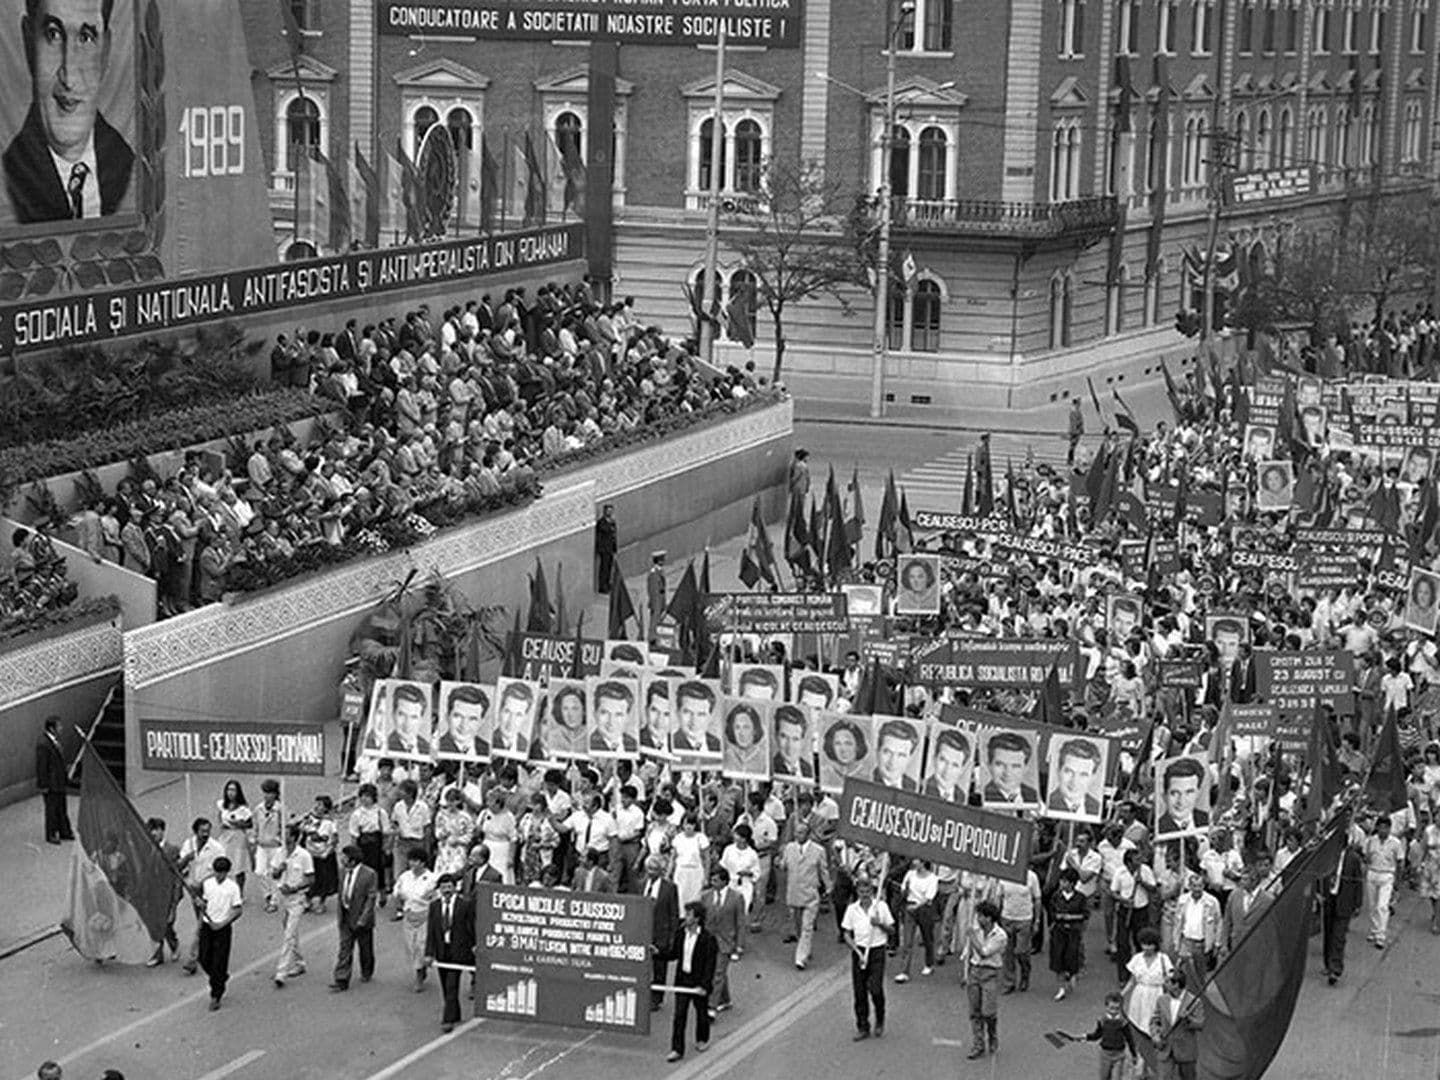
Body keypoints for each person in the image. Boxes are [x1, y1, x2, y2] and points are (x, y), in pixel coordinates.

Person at [5, 0, 136, 224]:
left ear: (105, 53)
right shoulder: (8, 176)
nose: (69, 77)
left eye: (86, 38)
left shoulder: (128, 166)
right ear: (29, 43)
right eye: (53, 35)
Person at [842, 875, 894, 1041]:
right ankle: (863, 1026)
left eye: (867, 891)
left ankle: (880, 1017)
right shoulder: (852, 909)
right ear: (857, 892)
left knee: (876, 989)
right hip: (859, 951)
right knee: (859, 992)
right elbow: (846, 934)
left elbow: (892, 931)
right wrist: (857, 952)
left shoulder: (881, 907)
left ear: (872, 891)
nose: (864, 895)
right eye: (861, 891)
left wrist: (879, 924)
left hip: (877, 950)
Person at [666, 902, 717, 1062]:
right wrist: (657, 952)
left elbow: (710, 965)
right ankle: (676, 1049)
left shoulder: (708, 939)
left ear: (697, 919)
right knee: (679, 1015)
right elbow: (674, 954)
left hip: (698, 982)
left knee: (701, 1012)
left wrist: (704, 986)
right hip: (683, 980)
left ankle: (702, 1039)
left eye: (689, 914)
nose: (685, 917)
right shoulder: (681, 933)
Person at [425, 872, 477, 1033]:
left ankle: (447, 1020)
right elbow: (431, 931)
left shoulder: (465, 905)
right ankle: (455, 1013)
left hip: (459, 951)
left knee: (452, 984)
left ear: (455, 888)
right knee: (445, 986)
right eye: (443, 887)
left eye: (449, 887)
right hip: (442, 951)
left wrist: (475, 944)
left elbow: (472, 926)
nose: (446, 890)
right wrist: (429, 953)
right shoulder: (434, 906)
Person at [195, 855, 242, 1011]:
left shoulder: (233, 888)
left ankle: (216, 994)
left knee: (219, 962)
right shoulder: (208, 884)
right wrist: (201, 910)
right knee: (203, 958)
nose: (218, 875)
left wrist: (222, 923)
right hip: (208, 926)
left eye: (221, 873)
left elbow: (237, 910)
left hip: (222, 928)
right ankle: (220, 978)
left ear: (226, 872)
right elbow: (205, 903)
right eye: (216, 872)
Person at [178, 817, 224, 976]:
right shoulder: (188, 845)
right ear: (196, 831)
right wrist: (187, 858)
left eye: (208, 831)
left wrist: (203, 882)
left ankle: (193, 959)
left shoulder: (216, 848)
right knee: (204, 921)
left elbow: (220, 871)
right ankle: (210, 947)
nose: (205, 834)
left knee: (201, 923)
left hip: (209, 890)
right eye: (202, 831)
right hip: (193, 890)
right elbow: (179, 866)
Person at [780, 822, 830, 970]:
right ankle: (806, 949)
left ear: (808, 834)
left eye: (801, 832)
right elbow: (784, 865)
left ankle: (800, 958)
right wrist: (779, 862)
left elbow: (824, 870)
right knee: (798, 926)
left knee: (807, 927)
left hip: (810, 894)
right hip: (794, 894)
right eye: (796, 832)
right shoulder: (789, 848)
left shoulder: (818, 851)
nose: (797, 835)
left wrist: (828, 886)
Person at [964, 899, 1007, 1059]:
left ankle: (992, 1033)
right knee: (974, 1011)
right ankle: (978, 1044)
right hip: (975, 971)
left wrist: (971, 937)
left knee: (988, 1012)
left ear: (989, 918)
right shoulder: (977, 930)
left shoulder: (1000, 936)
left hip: (991, 973)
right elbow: (969, 953)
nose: (978, 919)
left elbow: (984, 952)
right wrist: (966, 973)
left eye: (981, 916)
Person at [271, 825, 313, 988]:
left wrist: (295, 888)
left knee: (288, 935)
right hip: (283, 897)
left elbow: (310, 879)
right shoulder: (279, 853)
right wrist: (279, 870)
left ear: (294, 837)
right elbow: (273, 874)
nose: (283, 837)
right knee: (290, 931)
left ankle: (281, 972)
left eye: (286, 835)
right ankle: (300, 962)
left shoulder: (304, 856)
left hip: (297, 898)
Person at [330, 844, 377, 992]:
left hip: (362, 918)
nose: (341, 859)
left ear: (352, 860)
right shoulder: (342, 872)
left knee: (365, 948)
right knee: (345, 948)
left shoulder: (369, 874)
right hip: (345, 915)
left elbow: (371, 898)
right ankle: (342, 979)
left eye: (344, 857)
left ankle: (367, 970)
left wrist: (363, 919)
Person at [701, 866, 745, 1015]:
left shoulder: (736, 897)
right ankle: (725, 999)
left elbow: (740, 922)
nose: (712, 883)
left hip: (726, 941)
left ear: (724, 881)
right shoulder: (705, 896)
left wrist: (739, 945)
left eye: (715, 880)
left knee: (717, 974)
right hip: (708, 941)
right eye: (711, 880)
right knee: (717, 972)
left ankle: (711, 1006)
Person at [1322, 837, 1365, 984]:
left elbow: (1358, 881)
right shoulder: (1327, 857)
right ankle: (1328, 963)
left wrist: (1358, 903)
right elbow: (1320, 876)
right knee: (1328, 932)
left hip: (1344, 900)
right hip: (1329, 899)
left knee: (1339, 936)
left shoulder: (1353, 858)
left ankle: (1335, 969)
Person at [1151, 969, 1204, 1080]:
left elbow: (1200, 1024)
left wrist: (1188, 1019)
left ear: (1176, 984)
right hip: (1166, 1048)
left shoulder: (1194, 1002)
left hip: (1186, 1050)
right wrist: (1155, 1035)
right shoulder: (1161, 999)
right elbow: (1155, 1020)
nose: (1164, 984)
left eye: (1167, 982)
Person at [996, 863, 1041, 994]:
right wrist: (996, 918)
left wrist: (1037, 920)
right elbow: (999, 898)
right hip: (1007, 918)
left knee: (1021, 951)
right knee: (1007, 953)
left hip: (1025, 919)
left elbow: (1037, 899)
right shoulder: (1004, 876)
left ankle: (1025, 973)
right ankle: (1009, 982)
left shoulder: (1031, 877)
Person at [643, 855, 679, 1011]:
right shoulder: (641, 884)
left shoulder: (670, 888)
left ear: (661, 871)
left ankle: (656, 998)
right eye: (648, 869)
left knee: (659, 969)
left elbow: (674, 914)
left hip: (660, 934)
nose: (650, 872)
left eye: (654, 869)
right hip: (643, 931)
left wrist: (672, 937)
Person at [893, 858, 937, 982]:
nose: (913, 862)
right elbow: (903, 890)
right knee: (907, 941)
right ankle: (904, 971)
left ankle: (929, 963)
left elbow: (929, 898)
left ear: (923, 863)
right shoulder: (910, 874)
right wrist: (904, 891)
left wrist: (916, 907)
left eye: (916, 860)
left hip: (924, 909)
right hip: (909, 908)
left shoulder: (933, 879)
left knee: (927, 938)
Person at [145, 816, 182, 966]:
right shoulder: (145, 849)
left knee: (167, 924)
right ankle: (157, 955)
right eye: (151, 830)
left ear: (162, 831)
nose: (153, 833)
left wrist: (176, 895)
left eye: (156, 830)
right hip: (152, 892)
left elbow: (178, 873)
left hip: (168, 892)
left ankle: (174, 944)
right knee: (154, 925)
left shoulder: (172, 849)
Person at [1364, 815, 1405, 948]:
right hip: (1372, 873)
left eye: (1386, 828)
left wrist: (1397, 882)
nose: (1383, 831)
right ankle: (1374, 930)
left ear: (1389, 829)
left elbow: (1400, 862)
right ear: (1377, 828)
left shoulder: (1396, 843)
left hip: (1387, 875)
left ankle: (1381, 935)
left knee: (1382, 906)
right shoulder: (1371, 841)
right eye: (1381, 827)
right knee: (1372, 905)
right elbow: (1366, 858)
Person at [1082, 990, 1137, 1080]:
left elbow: (1129, 1039)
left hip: (1119, 1054)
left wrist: (1134, 1054)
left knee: (1116, 1077)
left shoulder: (1123, 1022)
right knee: (1104, 1077)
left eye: (1117, 1009)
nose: (1114, 1011)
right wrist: (1087, 1037)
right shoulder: (1102, 1020)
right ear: (1106, 1007)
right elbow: (1098, 1034)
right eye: (1111, 1008)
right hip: (1105, 1054)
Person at [1049, 866, 1086, 1000]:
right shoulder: (1056, 896)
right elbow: (1051, 913)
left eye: (1065, 881)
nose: (1062, 884)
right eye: (1061, 881)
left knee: (1071, 956)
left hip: (1073, 932)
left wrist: (1072, 917)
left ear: (1072, 883)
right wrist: (1057, 917)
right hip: (1058, 931)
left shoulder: (1080, 898)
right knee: (1058, 958)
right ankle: (1060, 988)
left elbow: (1084, 914)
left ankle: (1072, 974)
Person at [35, 716, 72, 843]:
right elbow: (42, 766)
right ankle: (51, 834)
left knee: (62, 808)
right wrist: (43, 785)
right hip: (51, 784)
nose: (61, 728)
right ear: (52, 728)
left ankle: (64, 831)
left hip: (59, 782)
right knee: (51, 810)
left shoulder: (55, 741)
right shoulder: (43, 744)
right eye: (59, 726)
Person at [1171, 872, 1221, 964]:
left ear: (1203, 886)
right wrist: (1176, 942)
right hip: (1186, 942)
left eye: (1200, 886)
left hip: (1202, 943)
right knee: (1186, 971)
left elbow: (1218, 923)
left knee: (1200, 973)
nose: (1197, 889)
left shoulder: (1212, 902)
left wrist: (1217, 943)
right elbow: (1177, 923)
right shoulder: (1182, 900)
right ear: (1189, 886)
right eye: (1194, 886)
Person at [1047, 737, 1103, 817]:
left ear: (1093, 777)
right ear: (1058, 771)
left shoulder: (1097, 808)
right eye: (1069, 772)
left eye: (1083, 775)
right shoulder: (1046, 803)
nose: (1075, 782)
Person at [252, 780, 285, 914]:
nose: (267, 796)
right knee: (260, 871)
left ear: (275, 794)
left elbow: (285, 826)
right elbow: (254, 826)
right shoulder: (258, 809)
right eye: (265, 793)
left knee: (275, 873)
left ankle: (274, 901)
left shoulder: (280, 809)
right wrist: (254, 839)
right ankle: (267, 894)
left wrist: (281, 841)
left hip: (275, 846)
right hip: (262, 845)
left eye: (270, 793)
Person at [215, 780, 253, 895]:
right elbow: (219, 817)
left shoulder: (243, 809)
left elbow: (250, 824)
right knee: (224, 862)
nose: (231, 793)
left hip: (238, 837)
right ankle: (225, 889)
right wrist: (222, 824)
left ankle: (239, 892)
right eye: (229, 790)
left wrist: (239, 824)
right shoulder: (222, 805)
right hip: (225, 836)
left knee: (239, 866)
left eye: (233, 790)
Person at [982, 731, 1039, 805]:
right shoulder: (982, 797)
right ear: (989, 766)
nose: (1007, 773)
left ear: (1026, 768)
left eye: (1015, 766)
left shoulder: (1034, 795)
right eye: (1000, 764)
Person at [1156, 757, 1209, 837]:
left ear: (1198, 793)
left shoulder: (1207, 819)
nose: (1181, 801)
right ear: (1164, 796)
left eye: (1189, 792)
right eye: (1175, 793)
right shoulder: (1158, 828)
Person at [436, 685, 490, 758]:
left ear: (481, 722)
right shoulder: (435, 747)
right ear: (447, 717)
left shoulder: (488, 750)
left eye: (472, 719)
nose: (464, 725)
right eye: (458, 716)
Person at [672, 681, 721, 756]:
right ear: (677, 713)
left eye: (701, 714)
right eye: (687, 712)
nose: (694, 721)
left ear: (710, 717)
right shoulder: (671, 743)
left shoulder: (718, 745)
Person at [590, 679, 638, 754]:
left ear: (627, 717)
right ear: (595, 714)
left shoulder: (634, 745)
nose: (611, 721)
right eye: (605, 713)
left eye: (618, 714)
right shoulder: (588, 744)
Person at [923, 728, 971, 803]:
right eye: (943, 760)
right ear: (934, 758)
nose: (947, 771)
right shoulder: (921, 788)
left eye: (955, 765)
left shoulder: (963, 797)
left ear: (962, 769)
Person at [871, 719, 920, 791]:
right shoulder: (864, 781)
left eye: (901, 755)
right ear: (877, 752)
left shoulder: (915, 787)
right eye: (887, 752)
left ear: (910, 758)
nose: (892, 762)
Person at [723, 701, 769, 776]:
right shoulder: (727, 757)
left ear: (754, 730)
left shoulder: (764, 760)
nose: (741, 733)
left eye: (746, 727)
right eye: (737, 727)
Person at [492, 681, 534, 757]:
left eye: (518, 715)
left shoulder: (527, 747)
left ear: (525, 717)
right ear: (499, 711)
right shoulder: (489, 742)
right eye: (507, 712)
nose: (511, 722)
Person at [771, 705, 814, 780]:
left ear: (803, 741)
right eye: (784, 737)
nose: (790, 746)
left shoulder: (809, 770)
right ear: (776, 737)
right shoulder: (770, 768)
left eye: (795, 739)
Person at [594, 503, 617, 594]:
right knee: (604, 568)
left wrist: (615, 548)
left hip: (610, 548)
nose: (609, 512)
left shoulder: (612, 522)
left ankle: (608, 584)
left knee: (609, 568)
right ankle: (602, 586)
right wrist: (600, 549)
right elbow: (600, 536)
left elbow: (614, 536)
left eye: (611, 510)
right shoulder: (601, 523)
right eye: (608, 511)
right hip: (604, 549)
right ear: (604, 512)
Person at [1067, 398, 1084, 465]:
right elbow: (1075, 422)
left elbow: (1079, 422)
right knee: (1073, 446)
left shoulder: (1076, 411)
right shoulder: (1074, 412)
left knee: (1073, 446)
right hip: (1074, 432)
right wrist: (1077, 430)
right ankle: (1070, 459)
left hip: (1076, 431)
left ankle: (1071, 459)